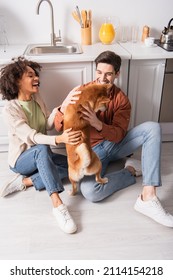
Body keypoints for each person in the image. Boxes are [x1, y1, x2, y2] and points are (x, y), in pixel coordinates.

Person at [54, 50, 173, 228]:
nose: (103, 78)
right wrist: (62, 109)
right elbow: (58, 127)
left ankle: (148, 196)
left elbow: (118, 135)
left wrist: (97, 123)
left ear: (117, 74)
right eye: (99, 72)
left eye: (109, 74)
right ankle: (131, 170)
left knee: (153, 128)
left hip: (114, 145)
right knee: (91, 192)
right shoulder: (81, 91)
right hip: (91, 152)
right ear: (95, 72)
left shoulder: (122, 100)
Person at [0, 56, 82, 234]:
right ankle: (58, 205)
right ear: (17, 81)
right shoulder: (10, 110)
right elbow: (33, 137)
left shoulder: (36, 97)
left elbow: (46, 124)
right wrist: (59, 139)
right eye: (30, 75)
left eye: (35, 74)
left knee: (74, 166)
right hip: (22, 160)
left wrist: (61, 108)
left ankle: (26, 182)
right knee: (42, 149)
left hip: (43, 155)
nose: (36, 78)